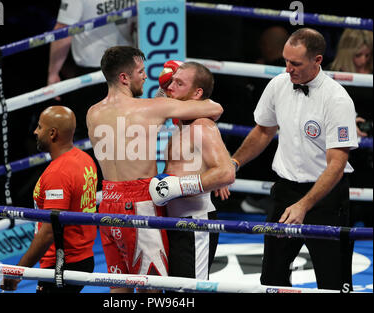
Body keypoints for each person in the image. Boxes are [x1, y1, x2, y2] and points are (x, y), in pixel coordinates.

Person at [86, 46, 223, 293]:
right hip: (140, 203)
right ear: (124, 78)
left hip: (107, 200)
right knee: (152, 287)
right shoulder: (151, 108)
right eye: (140, 72)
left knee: (119, 286)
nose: (146, 77)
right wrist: (172, 93)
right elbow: (214, 108)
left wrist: (162, 95)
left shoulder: (93, 113)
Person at [231, 28, 358, 291]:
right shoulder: (279, 84)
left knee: (333, 281)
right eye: (286, 60)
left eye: (295, 63)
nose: (288, 68)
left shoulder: (337, 99)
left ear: (318, 60)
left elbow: (336, 164)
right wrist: (233, 164)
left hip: (326, 198)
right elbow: (263, 131)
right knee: (271, 278)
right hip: (286, 193)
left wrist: (304, 205)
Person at [0, 106, 98, 293]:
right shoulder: (85, 159)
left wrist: (18, 271)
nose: (35, 132)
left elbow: (49, 231)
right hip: (82, 257)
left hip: (63, 264)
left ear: (52, 133)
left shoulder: (58, 173)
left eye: (39, 127)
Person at [155, 61, 235, 281]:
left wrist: (179, 186)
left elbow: (226, 173)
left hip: (195, 223)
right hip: (172, 220)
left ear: (197, 93)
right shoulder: (180, 127)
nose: (171, 87)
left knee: (189, 291)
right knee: (173, 290)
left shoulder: (202, 125)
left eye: (179, 83)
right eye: (171, 81)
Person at [48, 0, 136, 140]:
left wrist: (53, 73)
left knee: (93, 134)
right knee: (127, 130)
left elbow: (63, 31)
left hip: (95, 73)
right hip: (129, 68)